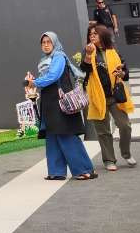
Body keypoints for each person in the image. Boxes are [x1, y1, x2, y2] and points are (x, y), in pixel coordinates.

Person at [24, 32, 97, 181]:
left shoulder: (58, 56)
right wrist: (34, 81)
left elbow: (53, 76)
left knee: (67, 135)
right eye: (43, 42)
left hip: (61, 103)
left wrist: (35, 82)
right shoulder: (44, 60)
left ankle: (83, 170)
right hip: (50, 103)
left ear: (55, 43)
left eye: (48, 42)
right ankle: (56, 172)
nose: (45, 45)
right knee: (52, 137)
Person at [81, 25, 135, 171]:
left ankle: (126, 152)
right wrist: (87, 55)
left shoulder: (113, 51)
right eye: (90, 34)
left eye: (95, 34)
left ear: (103, 35)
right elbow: (84, 69)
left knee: (125, 126)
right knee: (103, 131)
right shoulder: (88, 51)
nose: (92, 36)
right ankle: (109, 160)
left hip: (114, 96)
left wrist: (121, 73)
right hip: (97, 97)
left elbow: (124, 70)